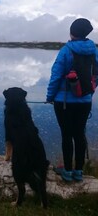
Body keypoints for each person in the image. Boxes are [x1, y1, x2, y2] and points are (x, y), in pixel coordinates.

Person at [46, 18, 98, 182]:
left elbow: (55, 76)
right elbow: (95, 76)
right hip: (85, 101)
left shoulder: (65, 50)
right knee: (79, 134)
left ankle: (67, 171)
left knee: (66, 135)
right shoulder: (94, 50)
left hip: (64, 102)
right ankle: (79, 172)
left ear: (72, 32)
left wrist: (49, 97)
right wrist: (89, 93)